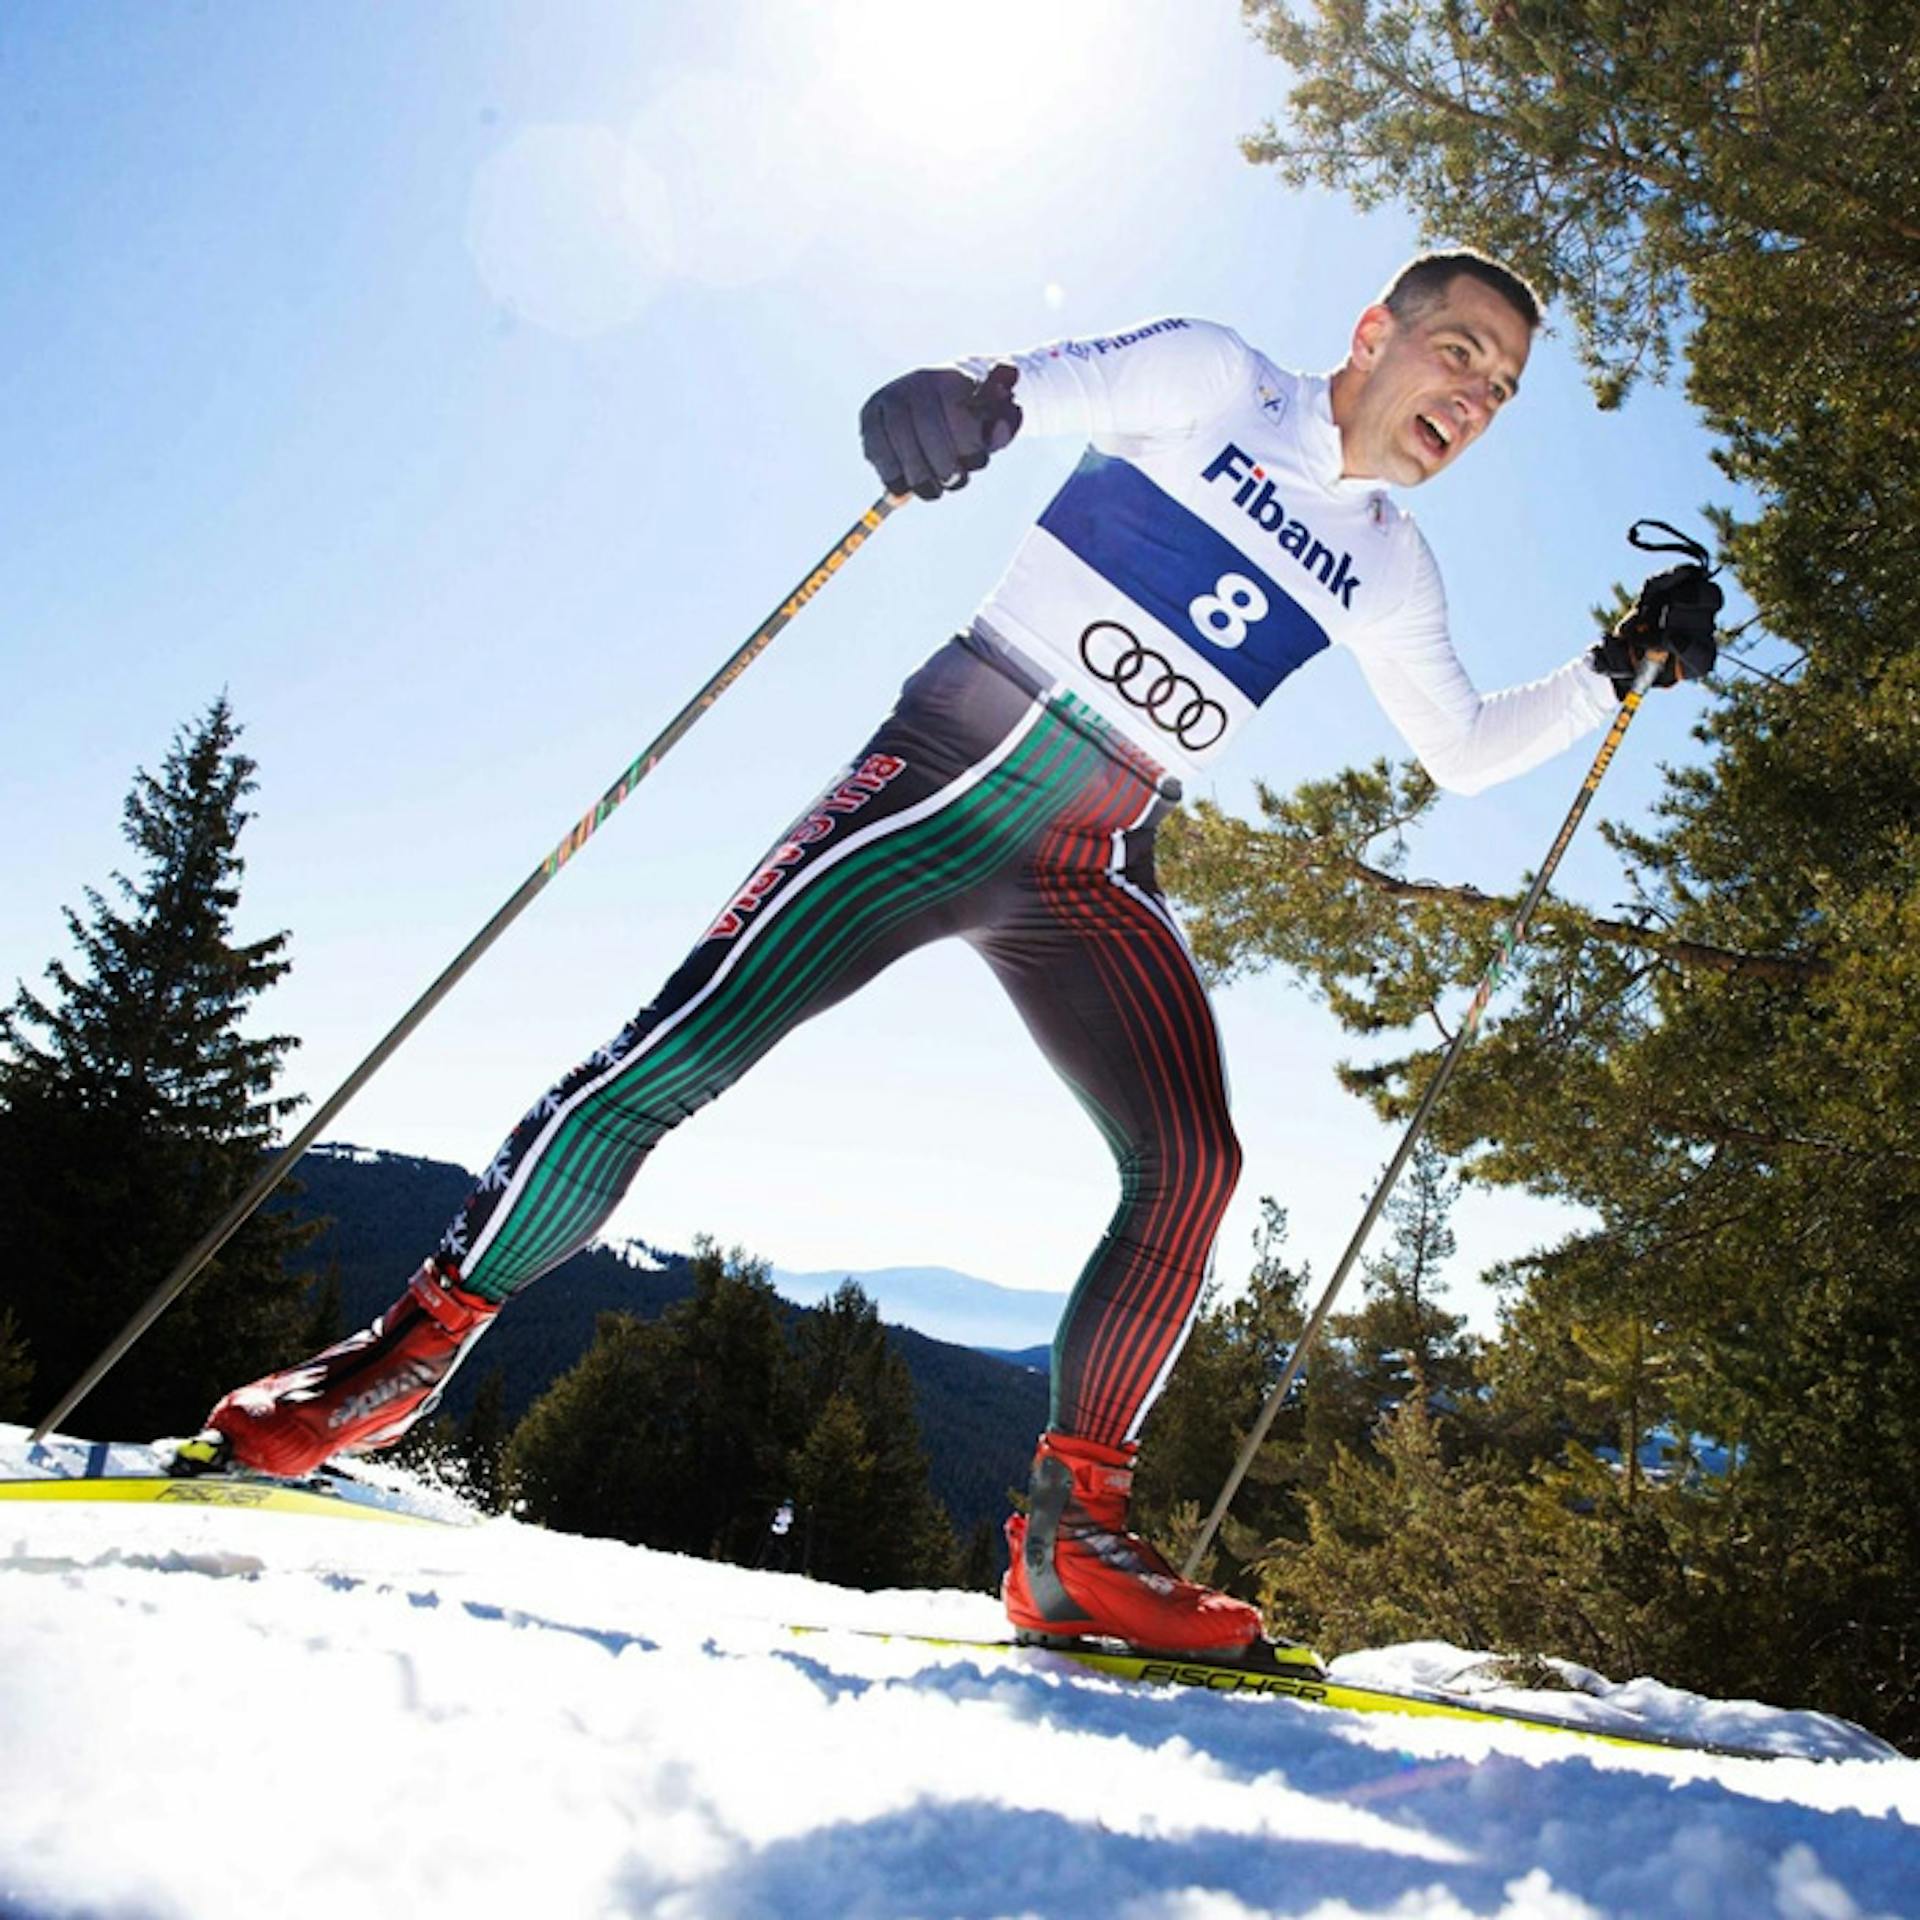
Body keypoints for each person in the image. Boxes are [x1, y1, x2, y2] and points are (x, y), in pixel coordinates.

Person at [185, 250, 1718, 1656]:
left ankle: (1073, 1546)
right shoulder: (1215, 380)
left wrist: (1610, 668)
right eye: (1457, 350)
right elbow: (1028, 391)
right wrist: (951, 405)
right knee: (675, 1056)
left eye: (1501, 389)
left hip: (1093, 852)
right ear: (1372, 334)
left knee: (1192, 1161)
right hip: (946, 769)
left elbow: (1457, 749)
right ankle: (402, 1354)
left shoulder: (1392, 562)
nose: (1472, 396)